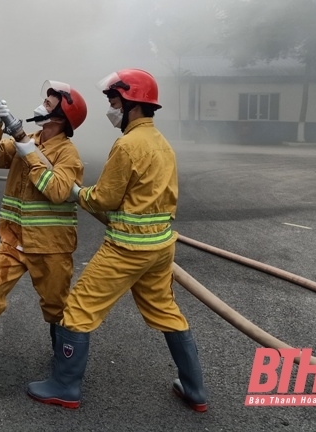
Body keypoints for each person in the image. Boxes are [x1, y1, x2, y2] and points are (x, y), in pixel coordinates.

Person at [26, 68, 208, 411]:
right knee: (165, 310)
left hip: (128, 248)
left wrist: (78, 194)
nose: (110, 108)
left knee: (78, 309)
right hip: (160, 248)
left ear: (132, 104)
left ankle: (64, 386)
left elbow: (104, 199)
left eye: (113, 101)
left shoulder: (127, 145)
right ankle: (194, 389)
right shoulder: (162, 143)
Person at [0, 80, 87, 387]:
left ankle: (62, 364)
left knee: (56, 307)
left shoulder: (68, 154)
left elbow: (55, 190)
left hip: (51, 248)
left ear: (61, 118)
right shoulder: (28, 140)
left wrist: (27, 152)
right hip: (14, 241)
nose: (42, 106)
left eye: (50, 104)